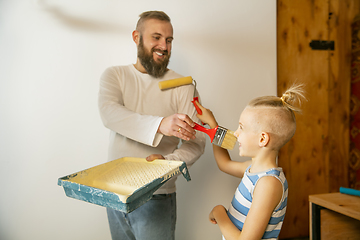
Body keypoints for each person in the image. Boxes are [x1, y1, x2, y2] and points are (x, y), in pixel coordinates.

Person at [98, 11, 206, 240]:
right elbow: (110, 114)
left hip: (156, 195)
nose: (164, 46)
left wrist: (166, 164)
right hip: (115, 193)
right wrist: (160, 125)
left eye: (168, 40)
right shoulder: (114, 76)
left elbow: (196, 143)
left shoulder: (183, 86)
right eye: (156, 37)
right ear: (137, 37)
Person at [194, 84, 305, 240]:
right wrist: (213, 125)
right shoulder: (253, 169)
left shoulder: (269, 184)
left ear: (262, 139)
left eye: (241, 127)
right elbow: (224, 163)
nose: (236, 133)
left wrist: (219, 211)